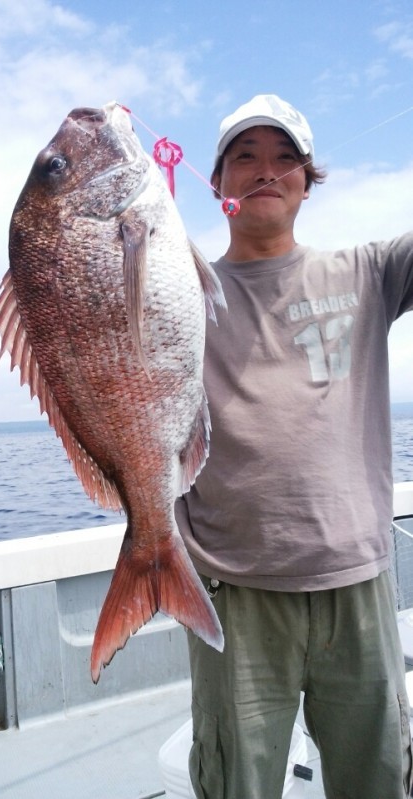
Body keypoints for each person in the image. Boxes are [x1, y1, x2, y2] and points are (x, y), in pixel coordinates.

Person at [175, 93, 413, 799]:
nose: (264, 171)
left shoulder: (368, 272)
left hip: (357, 580)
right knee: (236, 785)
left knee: (376, 779)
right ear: (215, 183)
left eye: (285, 158)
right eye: (243, 157)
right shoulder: (179, 291)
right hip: (233, 588)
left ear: (309, 180)